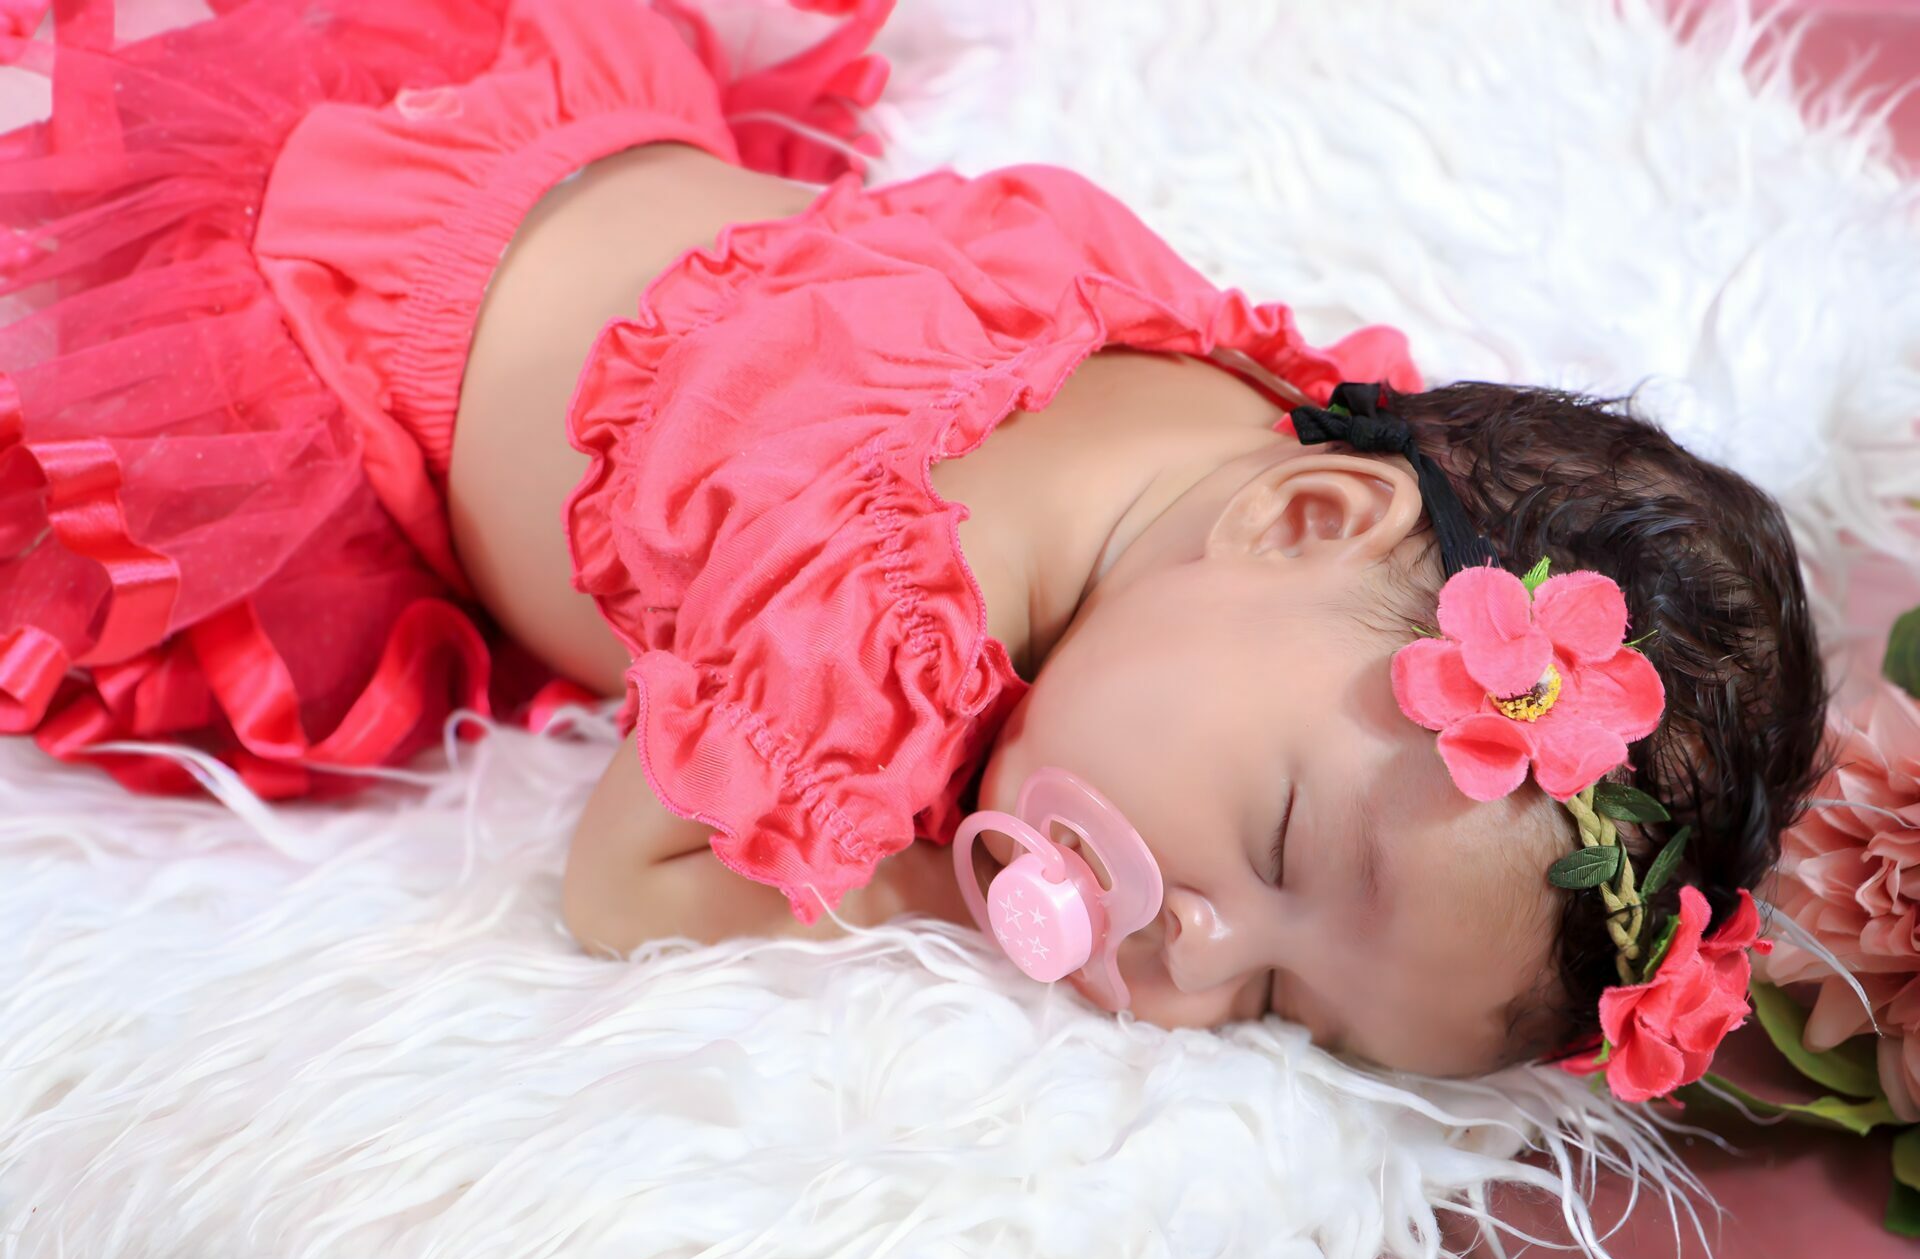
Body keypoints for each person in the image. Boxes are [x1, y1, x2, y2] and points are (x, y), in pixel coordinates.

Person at [0, 0, 1828, 1086]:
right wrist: (937, 889)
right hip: (298, 345)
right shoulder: (882, 609)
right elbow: (623, 889)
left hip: (522, 116)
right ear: (1305, 513)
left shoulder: (1239, 418)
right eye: (1279, 848)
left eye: (1282, 1008)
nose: (1188, 959)